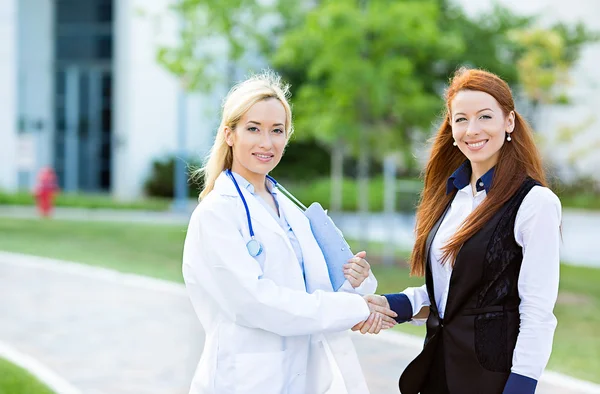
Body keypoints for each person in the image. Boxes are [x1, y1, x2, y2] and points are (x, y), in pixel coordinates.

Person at [182, 71, 397, 394]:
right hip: (246, 380)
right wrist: (356, 309)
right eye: (253, 129)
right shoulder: (216, 213)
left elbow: (314, 291)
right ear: (230, 134)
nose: (266, 143)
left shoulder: (290, 209)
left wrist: (353, 283)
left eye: (277, 130)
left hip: (306, 376)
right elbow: (256, 303)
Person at [355, 68, 562, 394]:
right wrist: (394, 304)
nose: (472, 129)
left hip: (493, 380)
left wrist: (521, 386)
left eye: (485, 117)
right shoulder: (452, 196)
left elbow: (537, 312)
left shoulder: (536, 203)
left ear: (508, 122)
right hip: (439, 370)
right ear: (451, 127)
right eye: (461, 119)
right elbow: (453, 293)